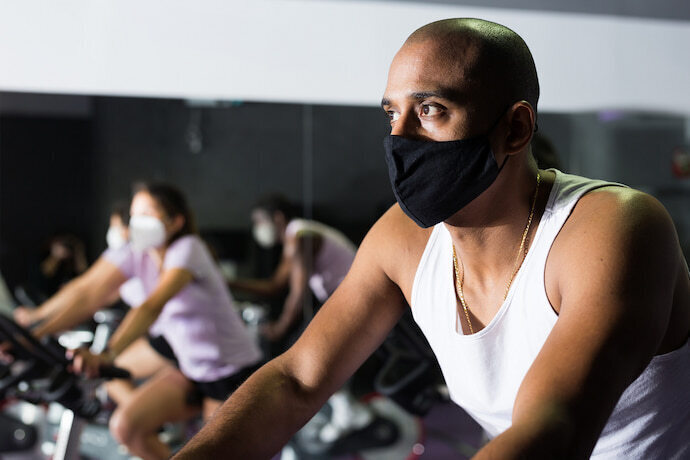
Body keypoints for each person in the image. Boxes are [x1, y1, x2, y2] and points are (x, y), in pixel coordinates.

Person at [173, 18, 690, 459]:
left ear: (514, 129)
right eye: (391, 113)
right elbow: (296, 382)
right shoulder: (403, 240)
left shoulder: (611, 228)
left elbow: (553, 427)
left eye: (430, 110)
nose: (400, 140)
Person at [27, 183, 262, 460]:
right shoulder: (137, 254)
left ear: (175, 221)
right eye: (135, 214)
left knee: (215, 452)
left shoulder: (188, 249)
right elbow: (88, 291)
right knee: (127, 426)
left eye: (148, 213)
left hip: (229, 373)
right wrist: (33, 331)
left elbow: (152, 306)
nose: (138, 222)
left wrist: (108, 354)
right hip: (190, 368)